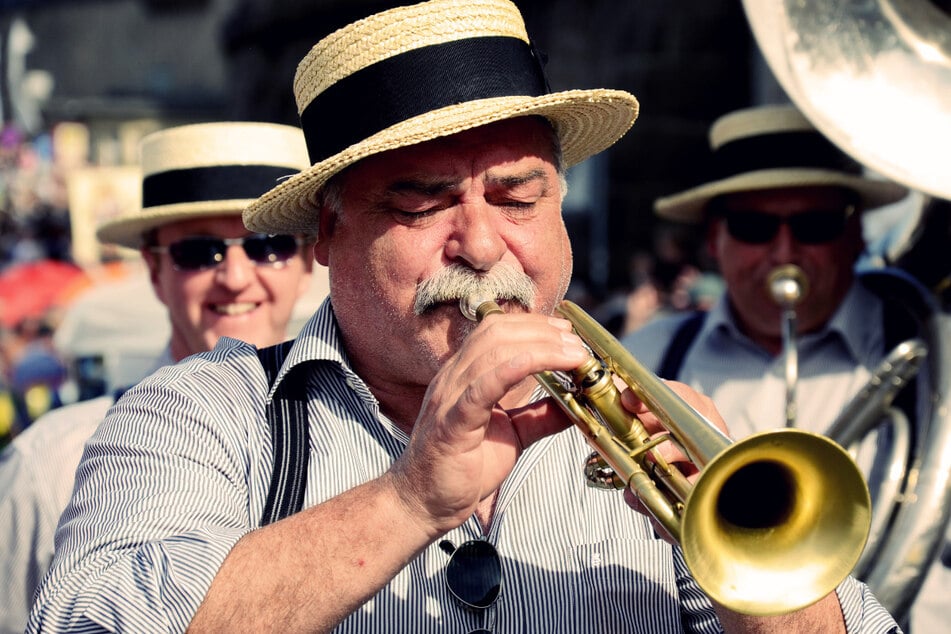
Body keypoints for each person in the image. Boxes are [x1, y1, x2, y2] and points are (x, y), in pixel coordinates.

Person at [28, 3, 898, 633]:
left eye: (518, 198)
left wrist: (751, 572)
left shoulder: (652, 425)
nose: (481, 246)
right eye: (421, 203)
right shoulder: (199, 413)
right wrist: (408, 498)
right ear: (328, 232)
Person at [620, 104, 948, 630]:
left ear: (856, 233)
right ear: (714, 240)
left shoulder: (934, 362)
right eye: (754, 227)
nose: (784, 253)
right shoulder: (647, 355)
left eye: (814, 225)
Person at [0, 120, 315, 634]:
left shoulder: (367, 446)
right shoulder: (48, 463)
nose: (236, 277)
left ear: (306, 261)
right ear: (153, 268)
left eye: (267, 246)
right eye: (199, 251)